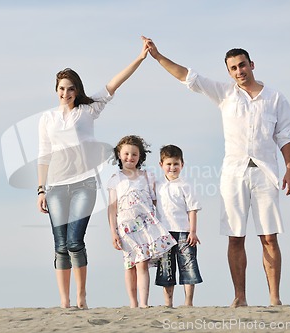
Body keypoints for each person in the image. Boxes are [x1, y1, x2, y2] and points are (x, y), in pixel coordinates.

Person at [142, 36, 290, 307]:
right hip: (234, 174)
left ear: (251, 64)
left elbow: (285, 135)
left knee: (269, 237)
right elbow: (189, 77)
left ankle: (275, 298)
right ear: (229, 72)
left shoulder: (275, 98)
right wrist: (158, 56)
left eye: (243, 65)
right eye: (234, 68)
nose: (239, 71)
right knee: (236, 237)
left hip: (266, 173)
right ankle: (240, 297)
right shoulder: (225, 94)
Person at [37, 39, 149, 309]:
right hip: (55, 188)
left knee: (75, 242)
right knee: (60, 245)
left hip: (83, 185)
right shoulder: (47, 119)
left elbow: (114, 83)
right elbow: (44, 156)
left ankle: (81, 296)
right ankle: (65, 301)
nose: (66, 93)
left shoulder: (88, 110)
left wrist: (140, 58)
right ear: (56, 90)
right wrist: (41, 190)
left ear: (77, 90)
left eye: (71, 88)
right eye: (62, 89)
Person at [107, 135, 177, 308]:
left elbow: (155, 202)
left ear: (140, 157)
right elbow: (112, 208)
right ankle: (133, 302)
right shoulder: (115, 179)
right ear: (119, 154)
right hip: (125, 228)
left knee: (142, 262)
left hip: (146, 226)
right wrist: (113, 232)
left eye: (134, 154)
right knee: (129, 265)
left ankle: (144, 303)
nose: (130, 157)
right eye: (126, 153)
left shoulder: (147, 176)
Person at [155, 145, 203, 307]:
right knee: (166, 268)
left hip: (184, 232)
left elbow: (192, 209)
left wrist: (193, 231)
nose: (172, 167)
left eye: (176, 164)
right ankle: (168, 303)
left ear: (182, 164)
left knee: (188, 265)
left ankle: (188, 302)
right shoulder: (157, 185)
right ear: (161, 164)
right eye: (168, 164)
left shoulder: (186, 185)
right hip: (164, 233)